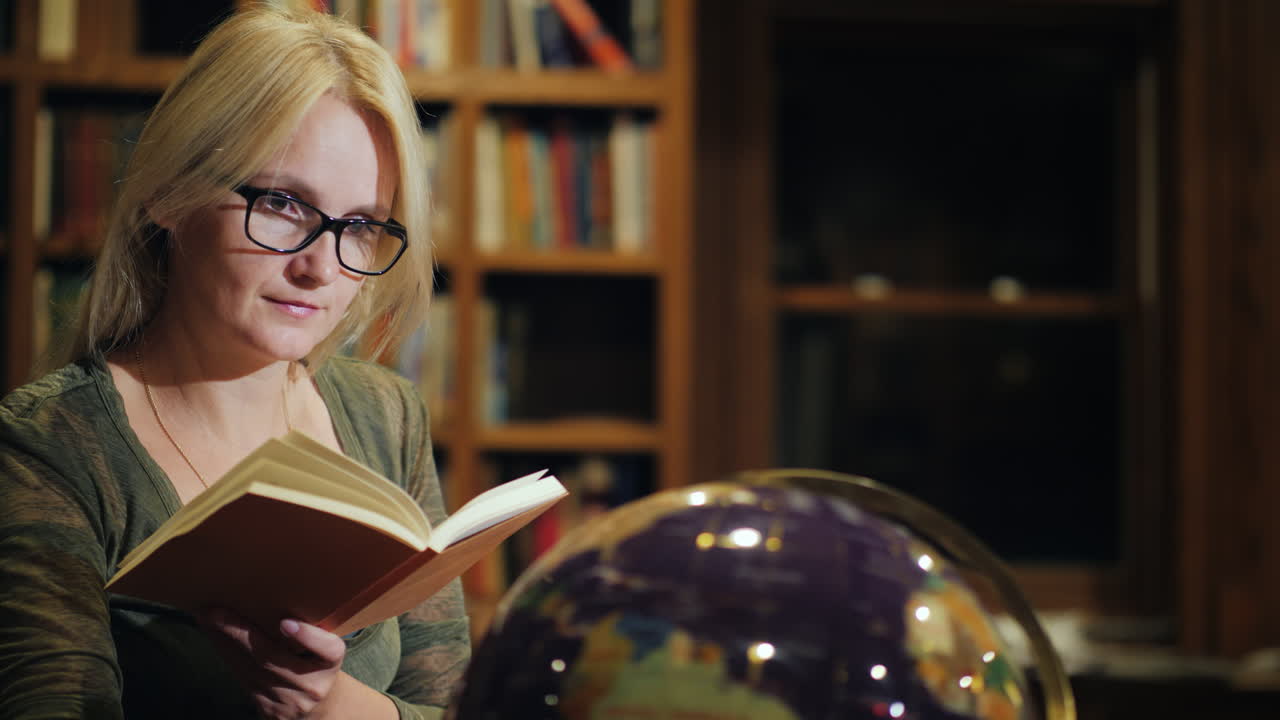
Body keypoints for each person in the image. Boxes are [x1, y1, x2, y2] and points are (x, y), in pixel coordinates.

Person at [0, 7, 467, 719]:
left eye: (361, 226)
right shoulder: (50, 445)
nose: (320, 268)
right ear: (167, 192)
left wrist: (330, 705)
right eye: (283, 204)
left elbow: (453, 705)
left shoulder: (386, 415)